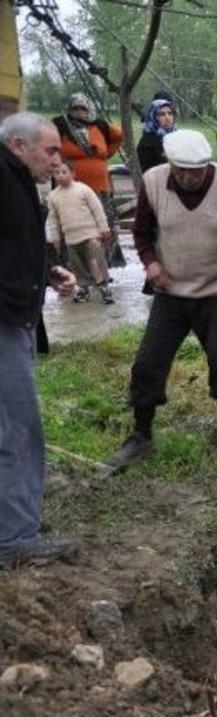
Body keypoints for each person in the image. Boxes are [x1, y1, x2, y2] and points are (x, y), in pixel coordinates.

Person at [105, 130, 217, 471]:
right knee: (148, 361)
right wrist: (151, 263)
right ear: (169, 164)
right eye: (180, 169)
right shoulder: (155, 182)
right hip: (170, 292)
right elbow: (141, 232)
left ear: (207, 164)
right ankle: (141, 434)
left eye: (196, 170)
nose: (187, 176)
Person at [0, 112, 78, 564]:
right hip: (5, 321)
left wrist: (47, 274)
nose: (57, 160)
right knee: (17, 427)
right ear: (18, 146)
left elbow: (13, 248)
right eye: (51, 151)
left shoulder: (20, 180)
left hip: (17, 313)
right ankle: (13, 538)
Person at [52, 93, 125, 268]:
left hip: (100, 189)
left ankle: (103, 265)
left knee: (102, 225)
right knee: (73, 227)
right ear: (69, 109)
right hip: (69, 189)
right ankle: (73, 265)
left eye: (82, 108)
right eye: (75, 108)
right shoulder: (60, 126)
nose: (78, 112)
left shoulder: (99, 126)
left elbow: (119, 135)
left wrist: (107, 153)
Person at [45, 161, 114, 304]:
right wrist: (55, 238)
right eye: (57, 173)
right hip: (70, 238)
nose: (61, 176)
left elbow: (97, 209)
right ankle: (83, 288)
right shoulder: (53, 196)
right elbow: (53, 219)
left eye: (64, 172)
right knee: (77, 265)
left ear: (73, 173)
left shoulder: (83, 189)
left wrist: (104, 228)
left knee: (95, 261)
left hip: (90, 235)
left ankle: (104, 288)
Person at [136, 98, 177, 172]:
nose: (167, 117)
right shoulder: (148, 141)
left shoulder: (176, 135)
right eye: (162, 114)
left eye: (170, 113)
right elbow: (146, 170)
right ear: (154, 116)